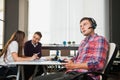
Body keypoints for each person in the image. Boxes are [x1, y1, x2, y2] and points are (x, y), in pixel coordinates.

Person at [33, 17, 109, 80]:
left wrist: (74, 65)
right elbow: (77, 58)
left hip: (86, 75)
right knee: (37, 79)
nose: (82, 27)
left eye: (85, 24)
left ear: (93, 25)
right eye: (81, 26)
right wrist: (70, 61)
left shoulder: (100, 39)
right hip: (73, 72)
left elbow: (98, 64)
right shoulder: (83, 42)